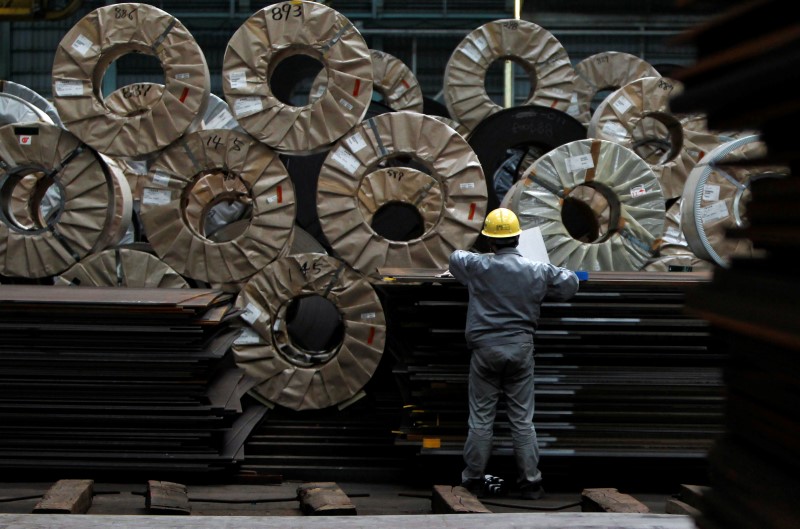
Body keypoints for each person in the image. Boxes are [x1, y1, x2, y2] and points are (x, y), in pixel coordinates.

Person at [445, 207, 580, 500]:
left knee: (481, 419)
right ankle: (531, 483)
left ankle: (473, 481)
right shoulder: (536, 270)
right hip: (520, 349)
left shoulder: (478, 266)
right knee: (522, 421)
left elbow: (455, 258)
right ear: (518, 238)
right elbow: (570, 284)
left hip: (485, 351)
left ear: (490, 241)